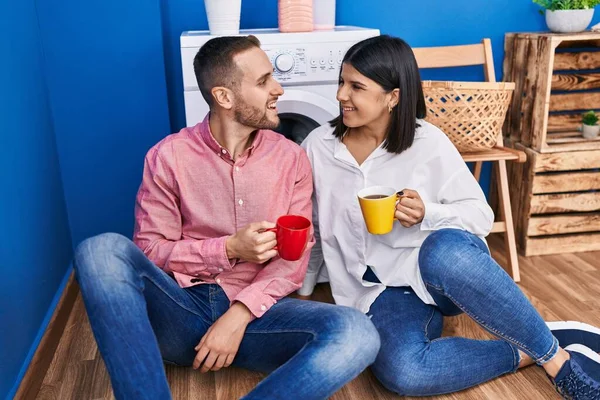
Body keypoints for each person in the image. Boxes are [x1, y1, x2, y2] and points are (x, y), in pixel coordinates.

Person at [73, 35, 380, 400]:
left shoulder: (292, 159)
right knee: (99, 250)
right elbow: (151, 249)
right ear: (225, 97)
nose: (278, 89)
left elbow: (293, 259)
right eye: (264, 81)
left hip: (257, 320)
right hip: (180, 310)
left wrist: (238, 316)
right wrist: (229, 248)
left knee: (357, 333)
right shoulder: (168, 157)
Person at [300, 35, 600, 399]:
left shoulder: (428, 142)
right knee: (406, 372)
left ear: (393, 96)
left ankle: (559, 363)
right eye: (341, 83)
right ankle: (528, 345)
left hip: (436, 276)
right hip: (377, 293)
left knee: (445, 250)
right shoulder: (318, 147)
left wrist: (428, 213)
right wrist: (303, 290)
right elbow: (312, 224)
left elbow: (480, 217)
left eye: (356, 87)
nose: (341, 96)